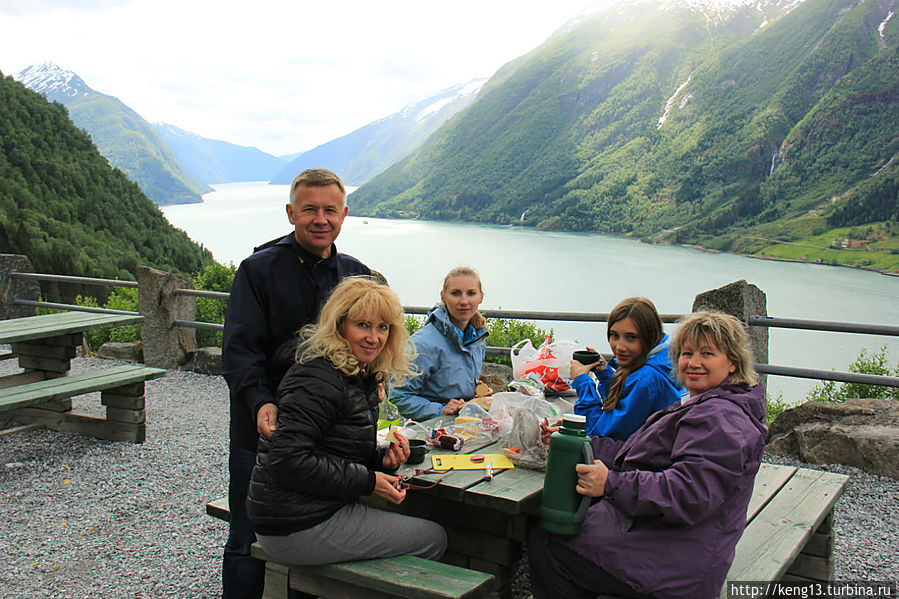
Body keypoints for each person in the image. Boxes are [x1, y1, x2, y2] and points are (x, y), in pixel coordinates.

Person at [529, 311, 768, 599]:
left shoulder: (720, 419)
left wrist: (611, 484)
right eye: (687, 353)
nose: (693, 363)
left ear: (732, 362)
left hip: (677, 564)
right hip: (668, 537)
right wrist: (579, 443)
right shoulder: (707, 403)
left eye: (707, 354)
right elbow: (637, 452)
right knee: (559, 528)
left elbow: (689, 493)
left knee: (549, 543)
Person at [221, 168, 371, 599]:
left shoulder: (359, 278)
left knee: (318, 536)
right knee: (247, 538)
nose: (320, 219)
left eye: (329, 210)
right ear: (291, 213)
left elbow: (376, 345)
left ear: (344, 214)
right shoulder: (258, 270)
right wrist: (259, 402)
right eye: (310, 209)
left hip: (330, 440)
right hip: (262, 431)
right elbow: (240, 350)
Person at [246, 277, 447, 566]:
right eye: (362, 325)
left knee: (418, 519)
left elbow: (335, 449)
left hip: (307, 508)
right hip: (294, 524)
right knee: (433, 538)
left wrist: (382, 461)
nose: (374, 337)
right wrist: (367, 481)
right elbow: (287, 460)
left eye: (382, 327)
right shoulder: (318, 377)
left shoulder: (354, 373)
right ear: (340, 325)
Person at [568, 297, 683, 440]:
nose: (619, 347)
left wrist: (583, 382)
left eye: (631, 337)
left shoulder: (646, 379)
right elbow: (628, 402)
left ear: (650, 336)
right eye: (614, 335)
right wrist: (605, 373)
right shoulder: (667, 357)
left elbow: (596, 434)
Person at [389, 266, 489, 421]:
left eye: (471, 293)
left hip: (461, 428)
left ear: (481, 297)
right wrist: (440, 410)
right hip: (428, 433)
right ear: (443, 296)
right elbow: (398, 396)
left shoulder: (477, 338)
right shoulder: (422, 344)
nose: (464, 301)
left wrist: (475, 392)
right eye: (456, 293)